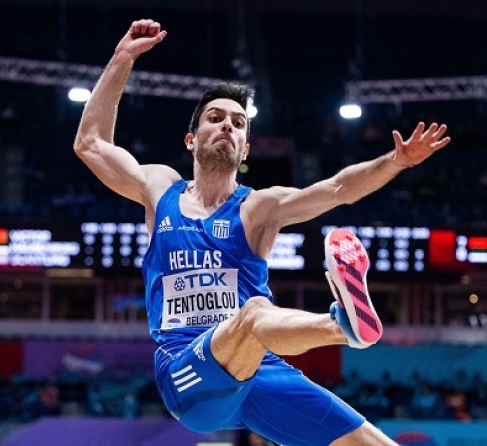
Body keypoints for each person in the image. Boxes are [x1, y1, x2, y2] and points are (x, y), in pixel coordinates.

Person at [74, 18, 450, 446]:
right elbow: (90, 143)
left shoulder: (258, 208)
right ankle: (342, 325)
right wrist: (122, 58)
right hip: (185, 372)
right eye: (215, 118)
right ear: (191, 139)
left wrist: (395, 162)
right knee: (253, 312)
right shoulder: (159, 188)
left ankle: (347, 326)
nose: (227, 127)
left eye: (238, 123)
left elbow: (339, 188)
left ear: (246, 149)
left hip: (257, 366)